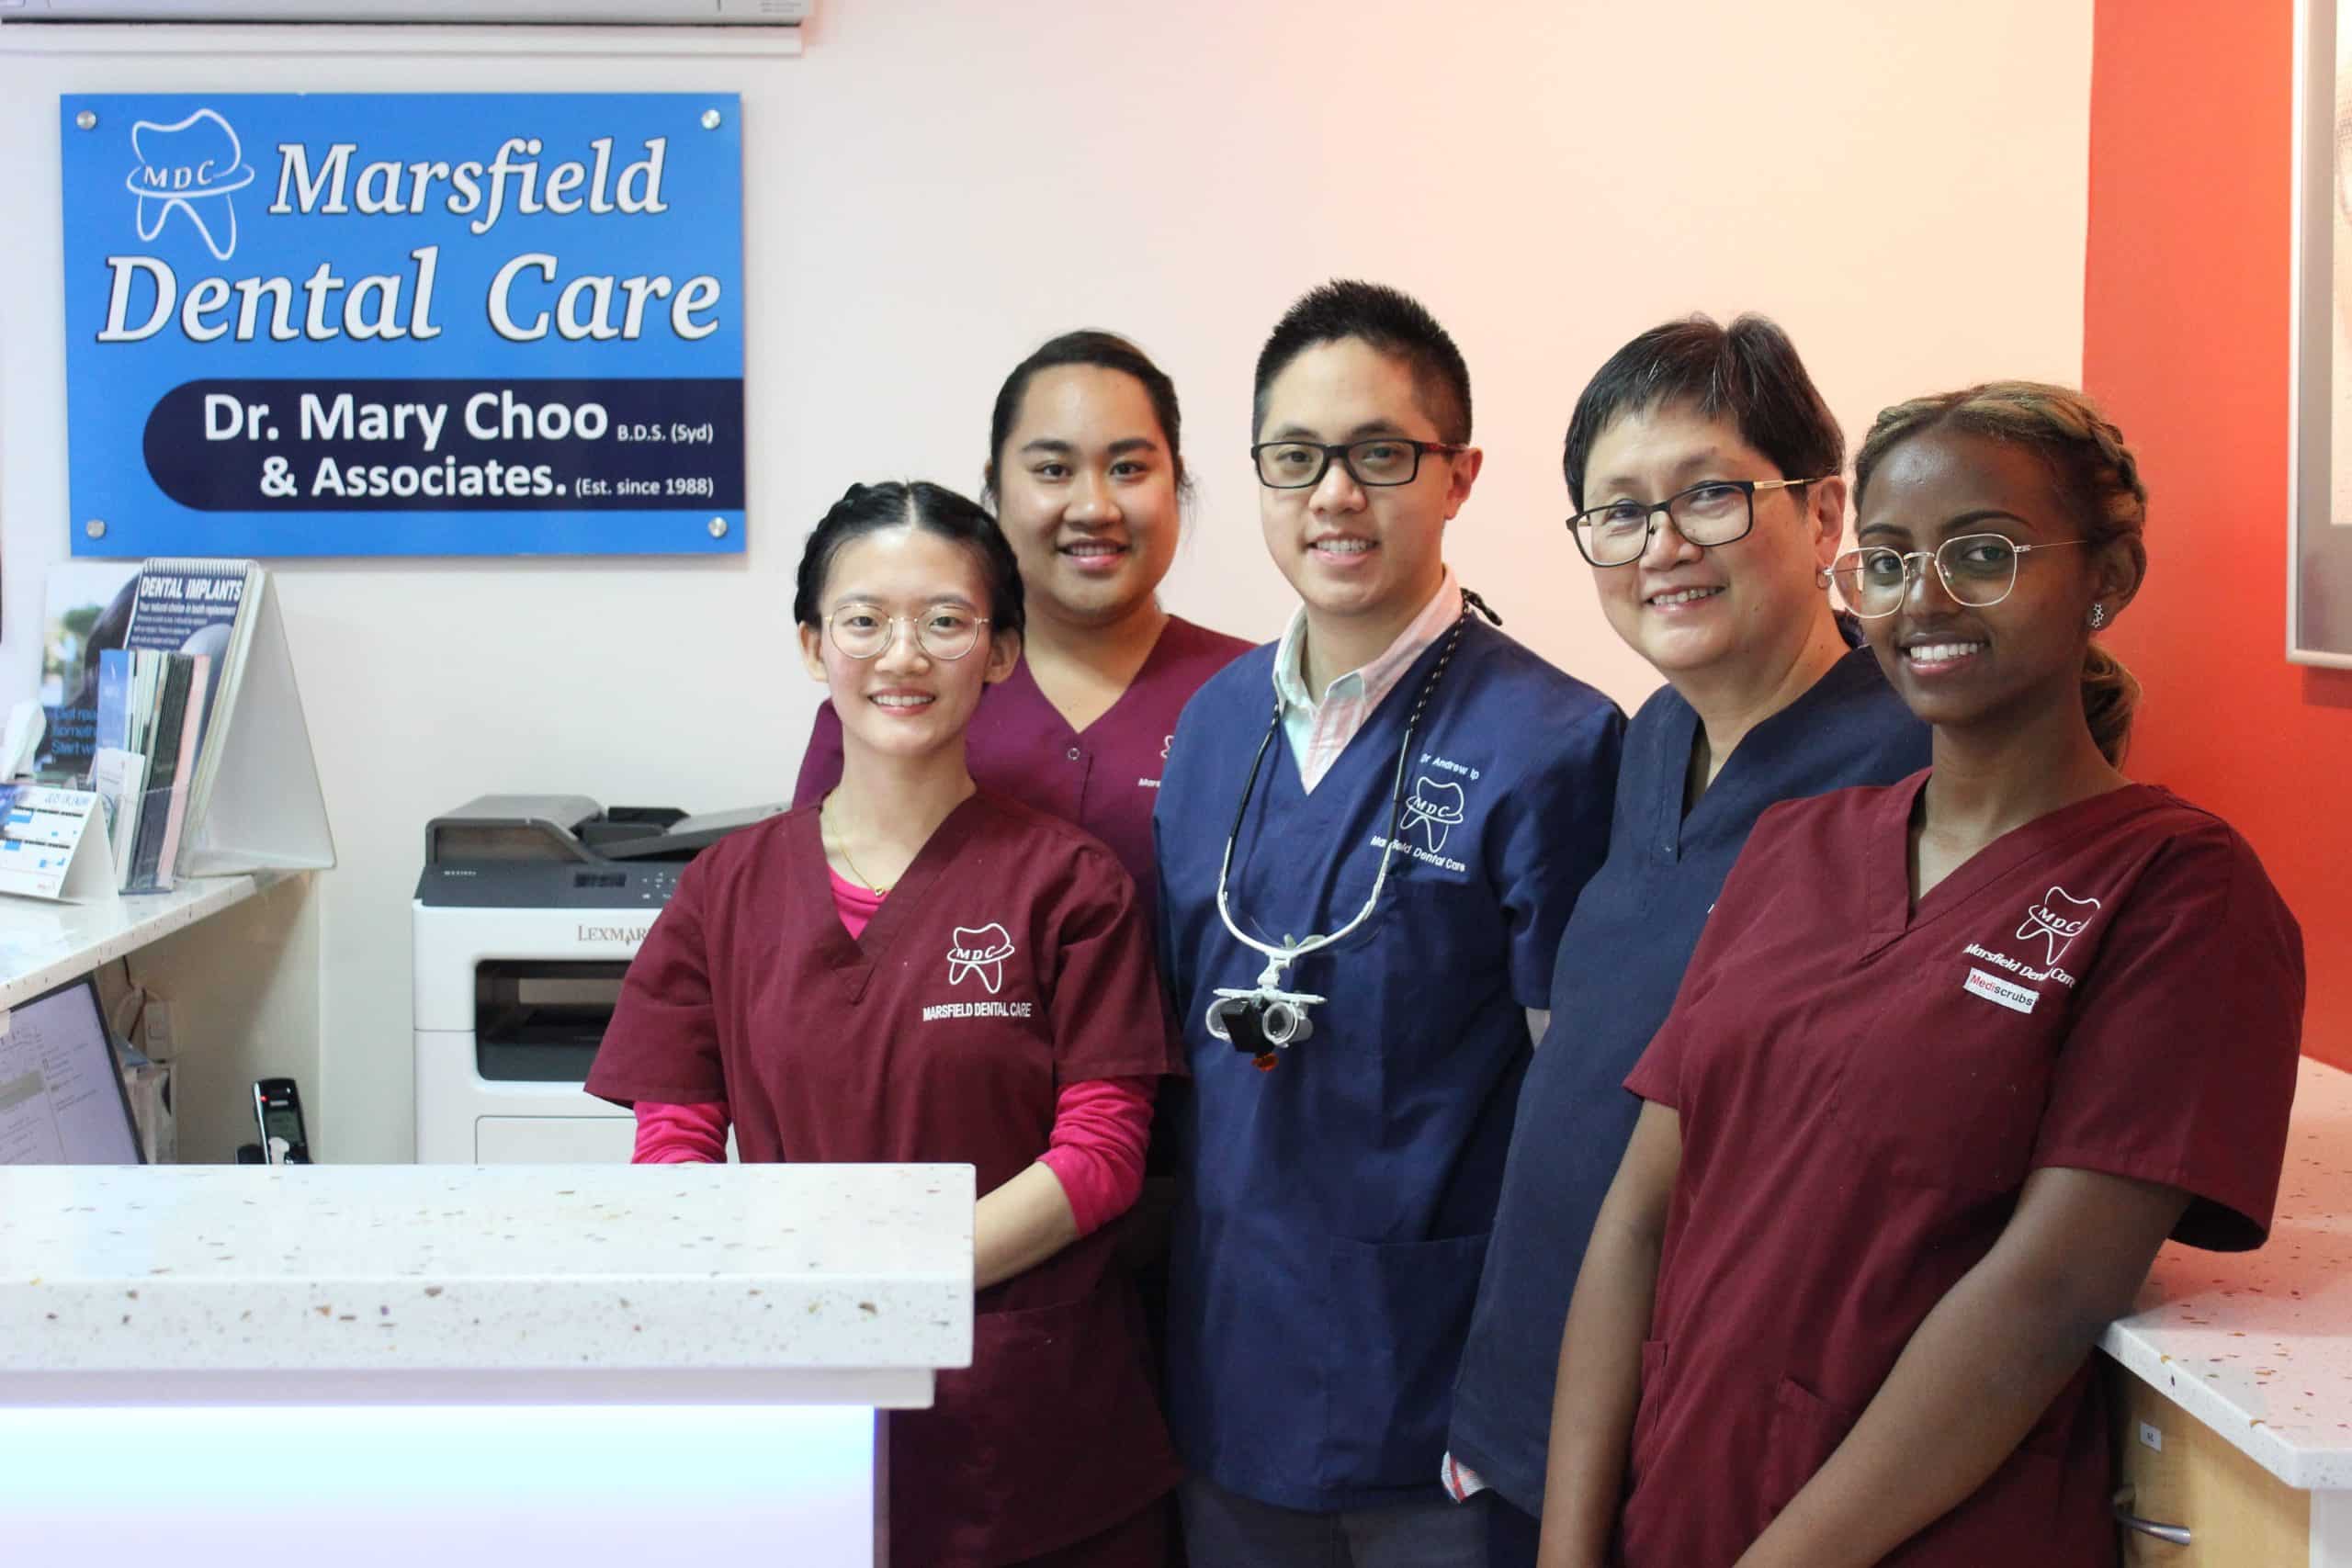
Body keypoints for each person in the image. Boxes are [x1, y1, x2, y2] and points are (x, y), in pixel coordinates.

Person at [1538, 384, 2306, 1568]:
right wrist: (1569, 1546)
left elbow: (2045, 1297)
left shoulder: (2177, 893)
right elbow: (1640, 1218)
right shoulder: (1798, 846)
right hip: (1679, 1504)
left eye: (1983, 553)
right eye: (1888, 562)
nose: (1924, 600)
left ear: (2108, 578)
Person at [587, 480, 1184, 1568]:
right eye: (863, 620)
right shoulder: (726, 889)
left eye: (945, 621)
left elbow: (1101, 1157)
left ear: (1000, 651)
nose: (902, 655)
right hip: (801, 1400)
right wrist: (784, 1291)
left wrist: (882, 1279)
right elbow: (674, 1146)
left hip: (1027, 1431)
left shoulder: (1070, 885)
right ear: (813, 645)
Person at [1445, 315, 1931, 1566]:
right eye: (1619, 512)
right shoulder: (1652, 736)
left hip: (1723, 1455)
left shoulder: (1916, 776)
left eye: (1708, 494)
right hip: (1541, 1419)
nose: (1660, 546)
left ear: (1823, 514)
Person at [1154, 279, 1625, 1564]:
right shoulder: (1212, 725)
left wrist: (1529, 1398)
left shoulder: (1554, 742)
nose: (1334, 495)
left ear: (1459, 475)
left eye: (1380, 454)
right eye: (1295, 457)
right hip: (1232, 1373)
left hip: (1443, 1394)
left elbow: (1582, 1125)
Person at [795, 331, 1252, 922]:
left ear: (1176, 480)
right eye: (1054, 469)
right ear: (996, 485)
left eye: (1128, 468)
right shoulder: (900, 695)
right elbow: (808, 921)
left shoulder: (1259, 696)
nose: (1094, 508)